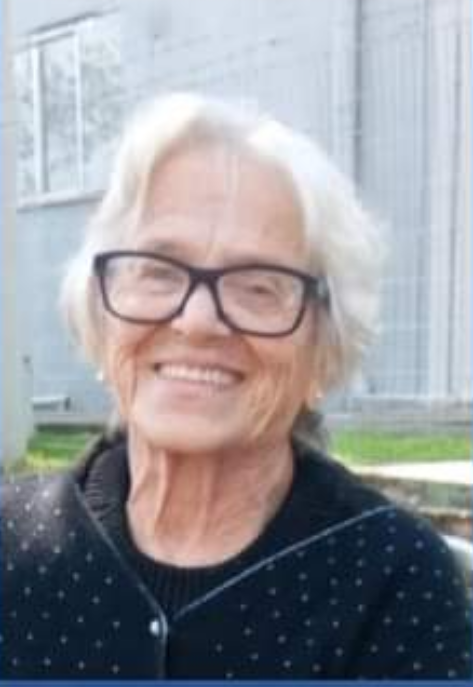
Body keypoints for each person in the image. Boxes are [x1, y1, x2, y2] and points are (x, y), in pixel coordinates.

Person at [1, 92, 470, 680]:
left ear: (324, 349)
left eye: (258, 286)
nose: (196, 321)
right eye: (158, 270)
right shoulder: (10, 543)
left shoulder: (393, 583)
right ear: (100, 313)